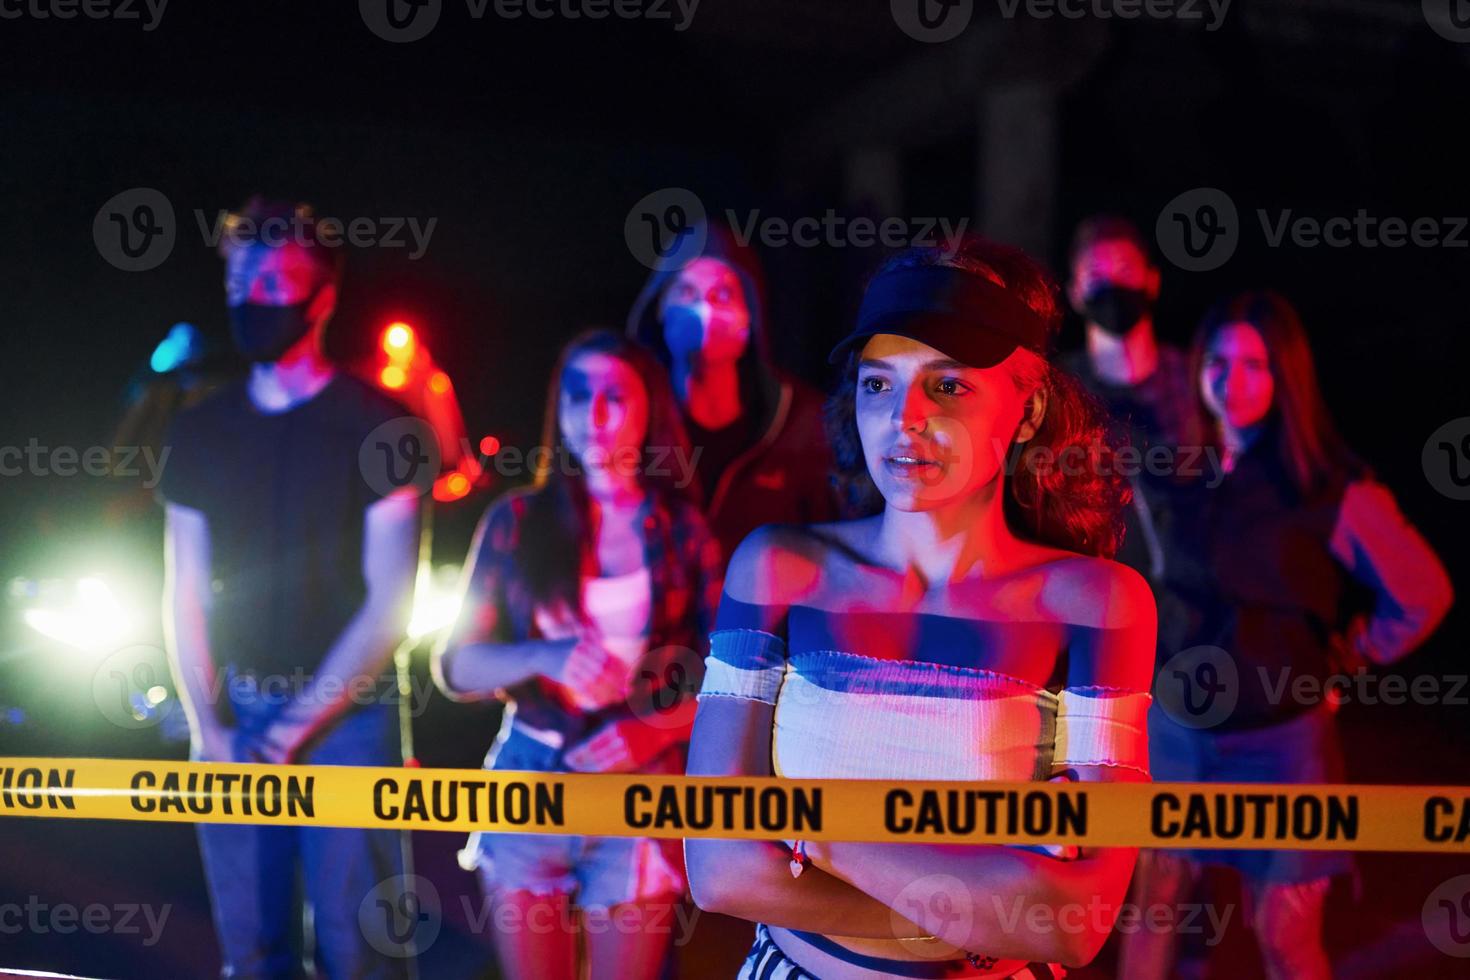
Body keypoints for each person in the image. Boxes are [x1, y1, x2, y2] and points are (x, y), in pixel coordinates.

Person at [685, 235, 1157, 978]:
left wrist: (813, 831)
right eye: (878, 384)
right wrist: (974, 913)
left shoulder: (1095, 603)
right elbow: (718, 868)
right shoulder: (779, 567)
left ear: (1029, 410)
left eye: (948, 386)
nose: (904, 418)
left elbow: (1077, 922)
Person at [1119, 290, 1455, 980]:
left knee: (1285, 933)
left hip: (1282, 743)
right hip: (1178, 736)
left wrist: (1352, 655)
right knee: (1156, 909)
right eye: (1217, 360)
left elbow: (1422, 593)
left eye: (1254, 365)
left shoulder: (1330, 488)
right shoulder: (1174, 475)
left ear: (1285, 377)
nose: (1230, 381)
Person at [160, 196, 422, 979]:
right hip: (238, 712)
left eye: (276, 276)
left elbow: (391, 603)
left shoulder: (380, 424)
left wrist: (293, 731)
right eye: (242, 275)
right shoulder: (199, 430)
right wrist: (210, 729)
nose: (254, 294)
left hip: (352, 721)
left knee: (362, 955)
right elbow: (181, 588)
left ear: (324, 295)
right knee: (253, 954)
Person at [433, 329, 724, 980]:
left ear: (648, 408)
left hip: (641, 789)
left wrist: (651, 731)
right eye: (576, 395)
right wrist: (544, 654)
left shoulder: (682, 529)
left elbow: (726, 680)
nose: (591, 416)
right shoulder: (516, 520)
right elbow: (454, 667)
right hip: (532, 771)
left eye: (614, 396)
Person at [627, 220, 840, 560]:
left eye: (722, 294)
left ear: (748, 320)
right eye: (686, 292)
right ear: (660, 311)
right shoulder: (631, 423)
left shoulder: (807, 426)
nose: (704, 310)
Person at [1062, 215, 1196, 584]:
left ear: (1152, 282)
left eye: (1124, 269)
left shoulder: (1194, 381)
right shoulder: (1060, 391)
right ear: (1075, 292)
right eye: (1095, 274)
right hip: (1096, 592)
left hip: (1193, 601)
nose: (1111, 286)